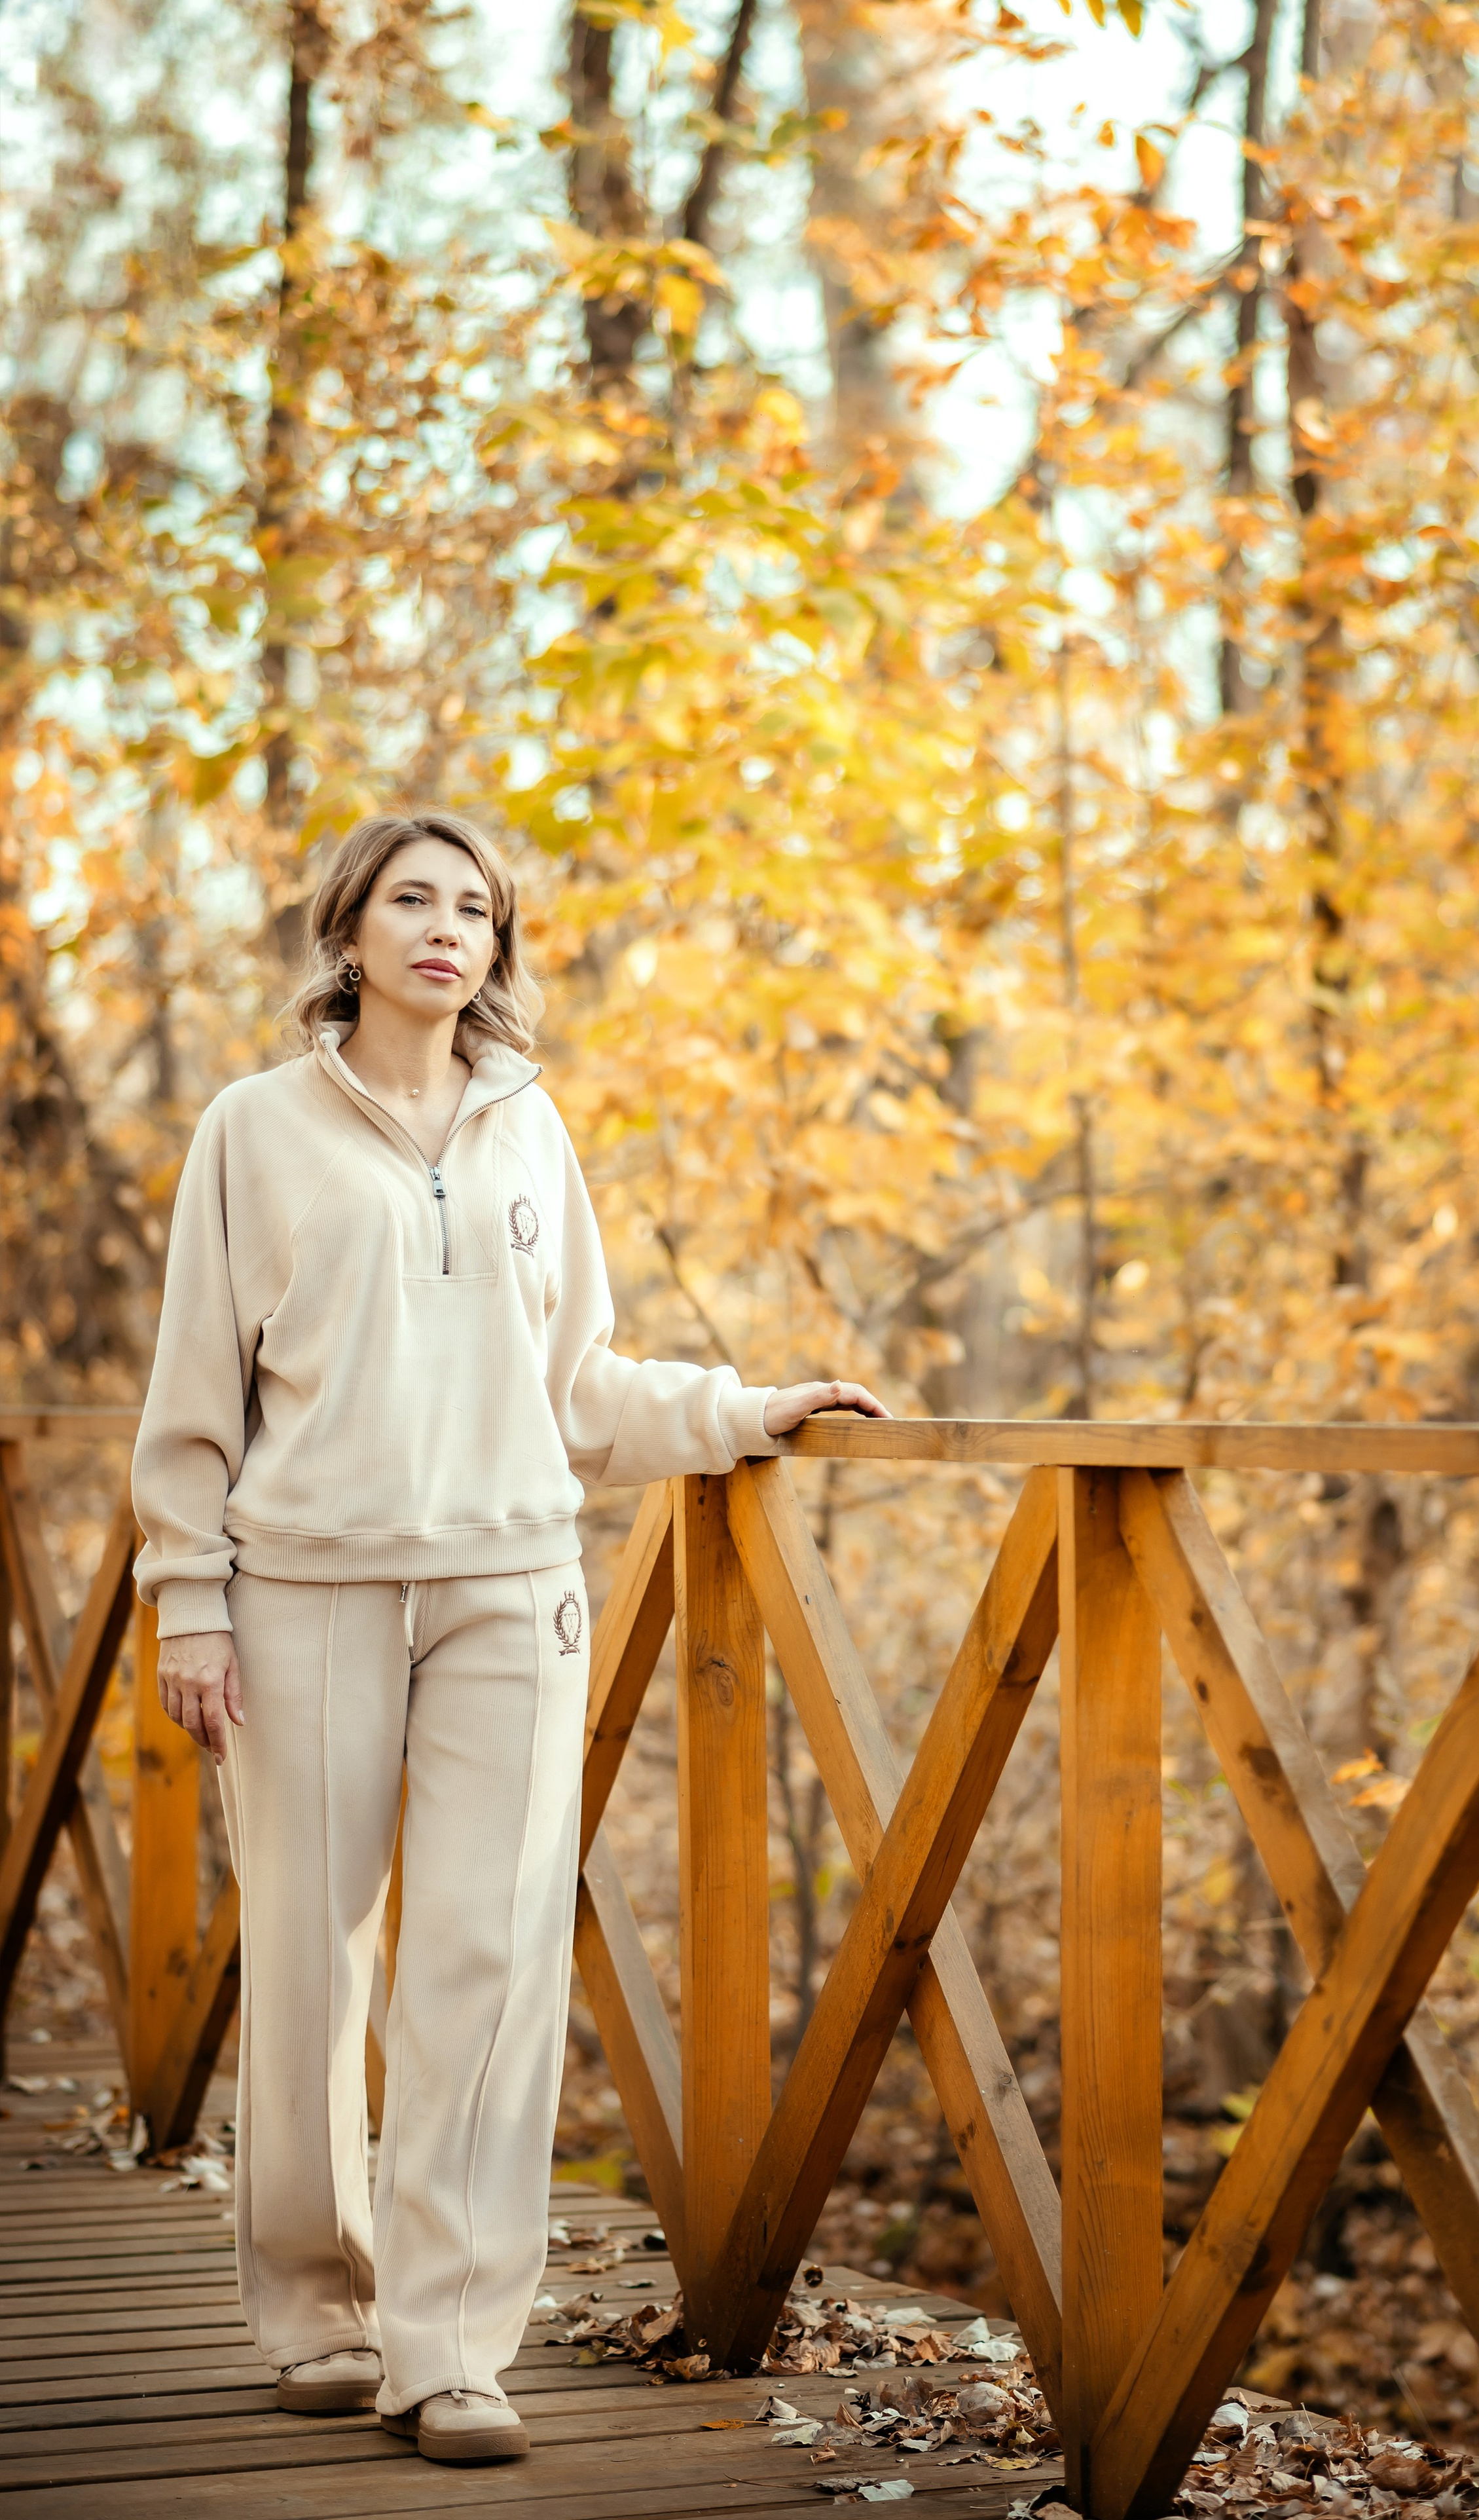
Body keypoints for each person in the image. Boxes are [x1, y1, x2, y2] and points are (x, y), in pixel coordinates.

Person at [132, 809, 886, 2466]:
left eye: (475, 908)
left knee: (486, 1964)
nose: (446, 929)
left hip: (511, 1588)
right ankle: (316, 2306)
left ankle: (452, 2346)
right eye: (413, 899)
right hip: (307, 1586)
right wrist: (189, 1592)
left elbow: (579, 1389)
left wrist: (745, 1406)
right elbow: (192, 1396)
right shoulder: (252, 1133)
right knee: (316, 1962)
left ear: (497, 946)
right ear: (347, 933)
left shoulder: (532, 1131)